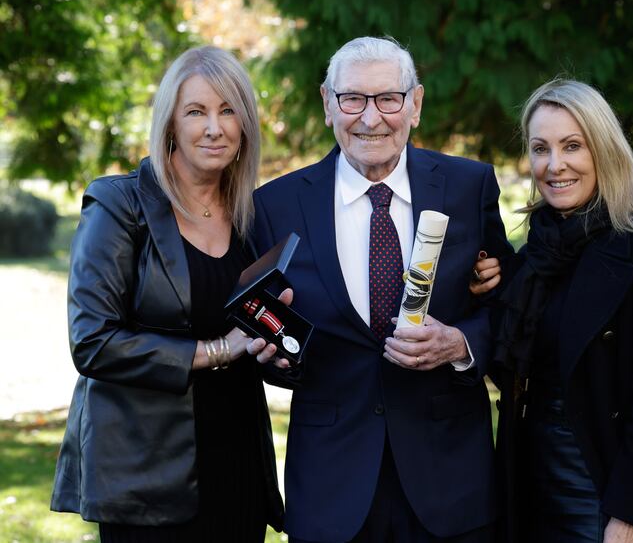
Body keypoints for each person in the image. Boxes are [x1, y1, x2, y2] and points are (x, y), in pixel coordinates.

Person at [251, 36, 513, 542]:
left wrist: (460, 344)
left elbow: (509, 304)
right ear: (328, 104)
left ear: (414, 104)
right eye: (353, 99)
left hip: (450, 485)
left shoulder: (469, 186)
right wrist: (278, 357)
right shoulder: (276, 207)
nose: (371, 118)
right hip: (333, 488)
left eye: (387, 99)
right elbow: (271, 338)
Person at [51, 45, 293, 542]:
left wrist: (281, 347)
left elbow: (257, 334)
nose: (214, 127)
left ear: (245, 126)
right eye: (197, 111)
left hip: (238, 462)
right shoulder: (119, 205)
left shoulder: (253, 217)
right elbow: (93, 341)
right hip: (146, 477)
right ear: (170, 124)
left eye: (229, 111)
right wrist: (218, 350)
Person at [472, 79, 633, 542]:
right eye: (540, 149)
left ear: (604, 151)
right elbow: (511, 369)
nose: (555, 165)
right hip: (527, 478)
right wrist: (491, 295)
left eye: (572, 145)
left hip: (602, 485)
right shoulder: (531, 260)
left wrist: (630, 516)